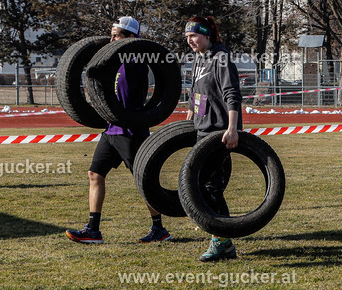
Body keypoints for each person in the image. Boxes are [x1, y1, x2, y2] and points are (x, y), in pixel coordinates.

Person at [66, 16, 170, 244]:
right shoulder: (113, 62)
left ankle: (159, 228)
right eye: (111, 34)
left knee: (143, 182)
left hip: (131, 131)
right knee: (95, 174)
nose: (111, 39)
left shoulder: (137, 59)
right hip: (111, 130)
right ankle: (93, 230)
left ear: (131, 38)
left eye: (117, 35)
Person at [184, 16, 243, 262]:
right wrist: (189, 120)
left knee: (212, 188)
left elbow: (232, 93)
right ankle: (222, 241)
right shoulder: (199, 58)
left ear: (207, 35)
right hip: (201, 129)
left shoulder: (221, 58)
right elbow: (196, 93)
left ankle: (222, 242)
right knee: (203, 186)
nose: (190, 41)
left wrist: (232, 128)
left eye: (194, 36)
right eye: (187, 38)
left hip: (218, 133)